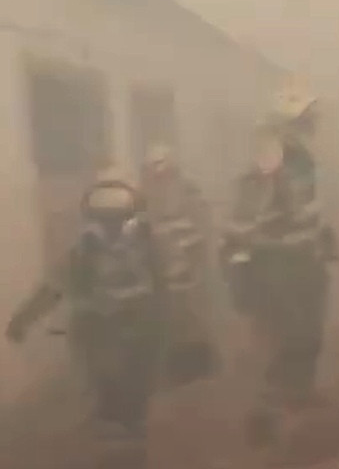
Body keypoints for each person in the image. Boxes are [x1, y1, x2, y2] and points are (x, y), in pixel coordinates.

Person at [5, 170, 167, 442]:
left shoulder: (149, 246)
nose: (112, 227)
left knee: (136, 382)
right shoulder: (82, 252)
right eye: (104, 218)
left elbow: (167, 286)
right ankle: (110, 419)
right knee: (101, 379)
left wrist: (173, 321)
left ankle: (131, 424)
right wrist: (22, 319)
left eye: (118, 217)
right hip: (97, 329)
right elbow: (53, 287)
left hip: (139, 327)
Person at [221, 79, 337, 445]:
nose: (314, 122)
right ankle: (267, 412)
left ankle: (299, 394)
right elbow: (250, 218)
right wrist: (248, 257)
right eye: (307, 116)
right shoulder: (271, 159)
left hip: (303, 255)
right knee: (285, 334)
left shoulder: (300, 157)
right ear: (291, 119)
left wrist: (322, 234)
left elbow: (306, 207)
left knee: (310, 330)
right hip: (276, 261)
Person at [138, 143, 217, 386]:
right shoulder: (144, 192)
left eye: (161, 163)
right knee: (168, 318)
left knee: (191, 314)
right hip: (161, 267)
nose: (157, 169)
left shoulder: (186, 188)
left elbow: (202, 222)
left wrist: (192, 258)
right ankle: (174, 369)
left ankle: (200, 367)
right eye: (152, 164)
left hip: (187, 262)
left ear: (171, 163)